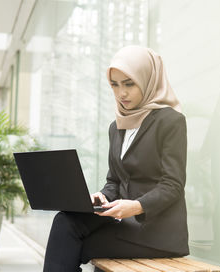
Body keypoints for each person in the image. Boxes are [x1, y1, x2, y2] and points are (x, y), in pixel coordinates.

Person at [43, 45, 189, 272]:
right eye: (115, 85)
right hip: (126, 224)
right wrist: (102, 196)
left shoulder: (170, 121)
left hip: (156, 232)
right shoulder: (118, 126)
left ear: (147, 79)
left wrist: (136, 206)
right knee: (65, 221)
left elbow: (173, 185)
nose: (121, 93)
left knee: (74, 245)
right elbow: (115, 181)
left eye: (129, 83)